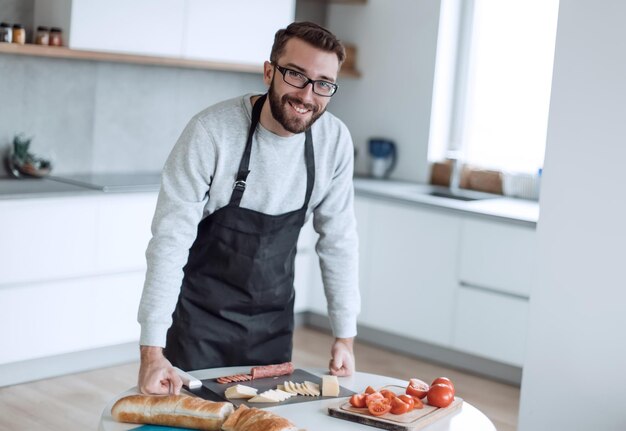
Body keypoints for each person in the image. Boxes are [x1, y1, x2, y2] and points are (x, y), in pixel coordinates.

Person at [136, 21, 360, 395]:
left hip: (272, 328)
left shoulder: (333, 141)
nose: (307, 94)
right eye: (295, 75)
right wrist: (151, 352)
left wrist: (345, 335)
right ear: (269, 71)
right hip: (198, 326)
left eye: (323, 83)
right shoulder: (212, 133)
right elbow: (169, 242)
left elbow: (339, 240)